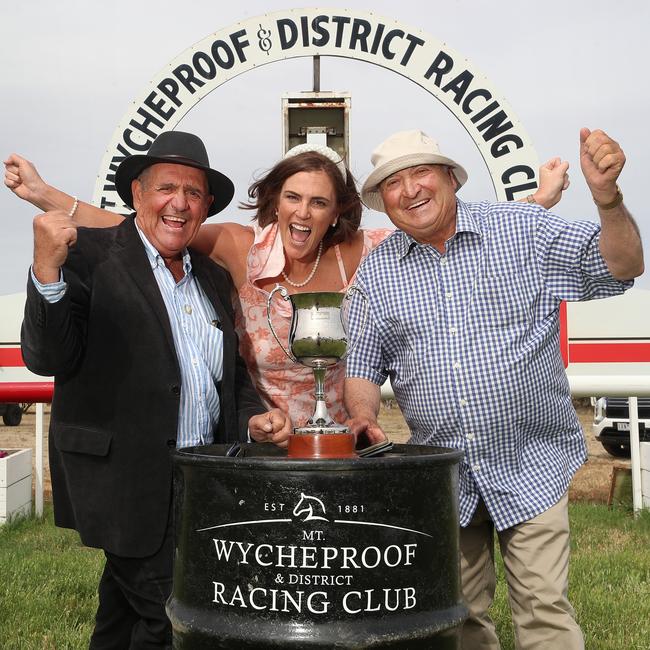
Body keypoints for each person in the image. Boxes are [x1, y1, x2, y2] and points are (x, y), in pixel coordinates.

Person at [6, 144, 568, 429]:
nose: (303, 212)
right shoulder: (233, 245)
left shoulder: (364, 252)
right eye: (292, 198)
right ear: (274, 200)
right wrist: (46, 195)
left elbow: (438, 221)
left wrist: (538, 203)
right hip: (263, 440)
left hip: (345, 447)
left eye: (319, 202)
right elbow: (141, 233)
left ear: (336, 211)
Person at [343, 128, 644, 649]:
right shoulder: (378, 273)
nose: (410, 189)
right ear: (382, 202)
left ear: (450, 179)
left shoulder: (523, 230)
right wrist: (364, 416)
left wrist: (607, 200)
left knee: (545, 611)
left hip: (532, 462)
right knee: (457, 618)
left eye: (421, 173)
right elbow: (364, 364)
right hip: (446, 477)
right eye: (393, 183)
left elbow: (622, 266)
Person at [18, 131, 290, 648]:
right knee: (183, 621)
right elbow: (46, 358)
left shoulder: (211, 277)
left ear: (206, 207)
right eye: (167, 188)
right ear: (138, 194)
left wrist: (253, 418)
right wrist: (46, 269)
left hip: (197, 485)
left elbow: (226, 378)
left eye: (193, 193)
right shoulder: (89, 256)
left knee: (123, 619)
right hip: (122, 482)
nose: (180, 203)